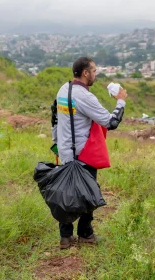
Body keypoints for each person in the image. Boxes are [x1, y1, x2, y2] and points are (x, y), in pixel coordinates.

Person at [51, 57, 127, 249]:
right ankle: (86, 235)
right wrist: (121, 102)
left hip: (65, 153)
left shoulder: (63, 89)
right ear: (85, 73)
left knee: (66, 194)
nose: (96, 74)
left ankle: (65, 237)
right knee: (88, 194)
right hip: (83, 155)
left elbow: (54, 117)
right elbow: (111, 122)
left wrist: (56, 144)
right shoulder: (85, 97)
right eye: (94, 71)